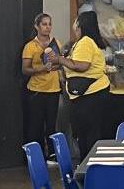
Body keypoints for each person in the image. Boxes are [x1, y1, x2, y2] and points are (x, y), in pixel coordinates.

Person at [58, 10, 111, 159]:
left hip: (90, 95)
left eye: (75, 22)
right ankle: (88, 163)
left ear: (80, 25)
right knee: (88, 131)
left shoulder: (85, 42)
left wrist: (60, 60)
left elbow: (81, 66)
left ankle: (88, 164)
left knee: (87, 132)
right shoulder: (85, 42)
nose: (73, 26)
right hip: (90, 94)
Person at [21, 13, 62, 154]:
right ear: (36, 26)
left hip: (54, 89)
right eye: (44, 24)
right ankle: (35, 155)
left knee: (51, 125)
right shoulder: (30, 46)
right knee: (36, 125)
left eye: (49, 24)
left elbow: (61, 64)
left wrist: (55, 65)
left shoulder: (56, 43)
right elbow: (25, 69)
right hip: (37, 90)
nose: (48, 27)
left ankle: (52, 154)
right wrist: (41, 69)